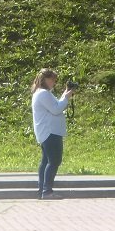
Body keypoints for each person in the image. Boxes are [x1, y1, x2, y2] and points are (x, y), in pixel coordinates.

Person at [30, 69, 74, 200]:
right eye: (53, 79)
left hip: (47, 132)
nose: (54, 82)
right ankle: (47, 191)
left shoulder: (42, 93)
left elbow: (56, 105)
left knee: (46, 161)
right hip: (50, 132)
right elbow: (56, 109)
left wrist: (65, 94)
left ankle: (42, 190)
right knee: (54, 160)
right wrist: (66, 97)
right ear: (45, 79)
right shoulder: (43, 94)